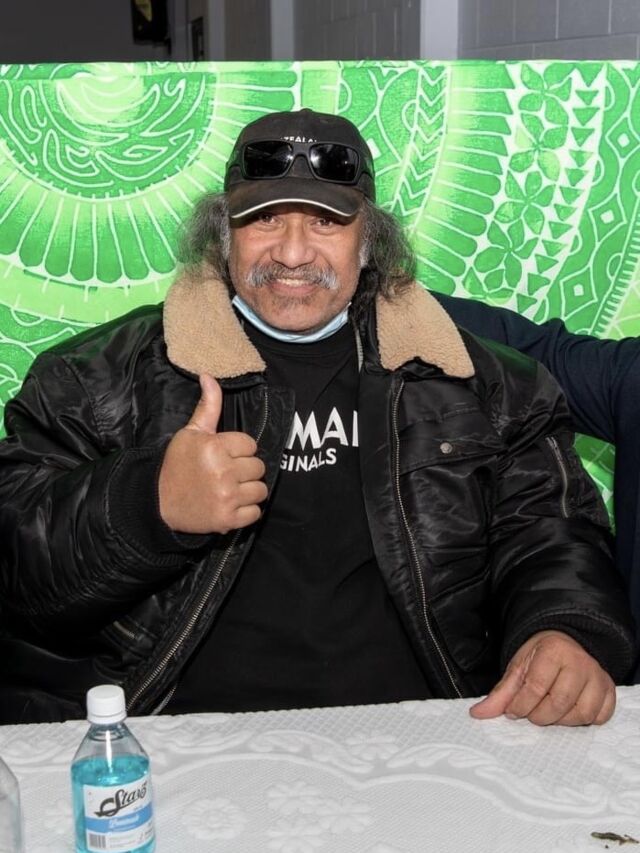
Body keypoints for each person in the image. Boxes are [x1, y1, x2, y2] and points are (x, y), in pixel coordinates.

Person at [0, 108, 634, 726]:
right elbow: (17, 573)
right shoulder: (95, 377)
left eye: (327, 221)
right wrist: (147, 505)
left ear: (370, 240)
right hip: (180, 736)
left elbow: (548, 535)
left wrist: (562, 629)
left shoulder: (483, 382)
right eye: (265, 219)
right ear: (224, 236)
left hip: (420, 729)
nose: (293, 252)